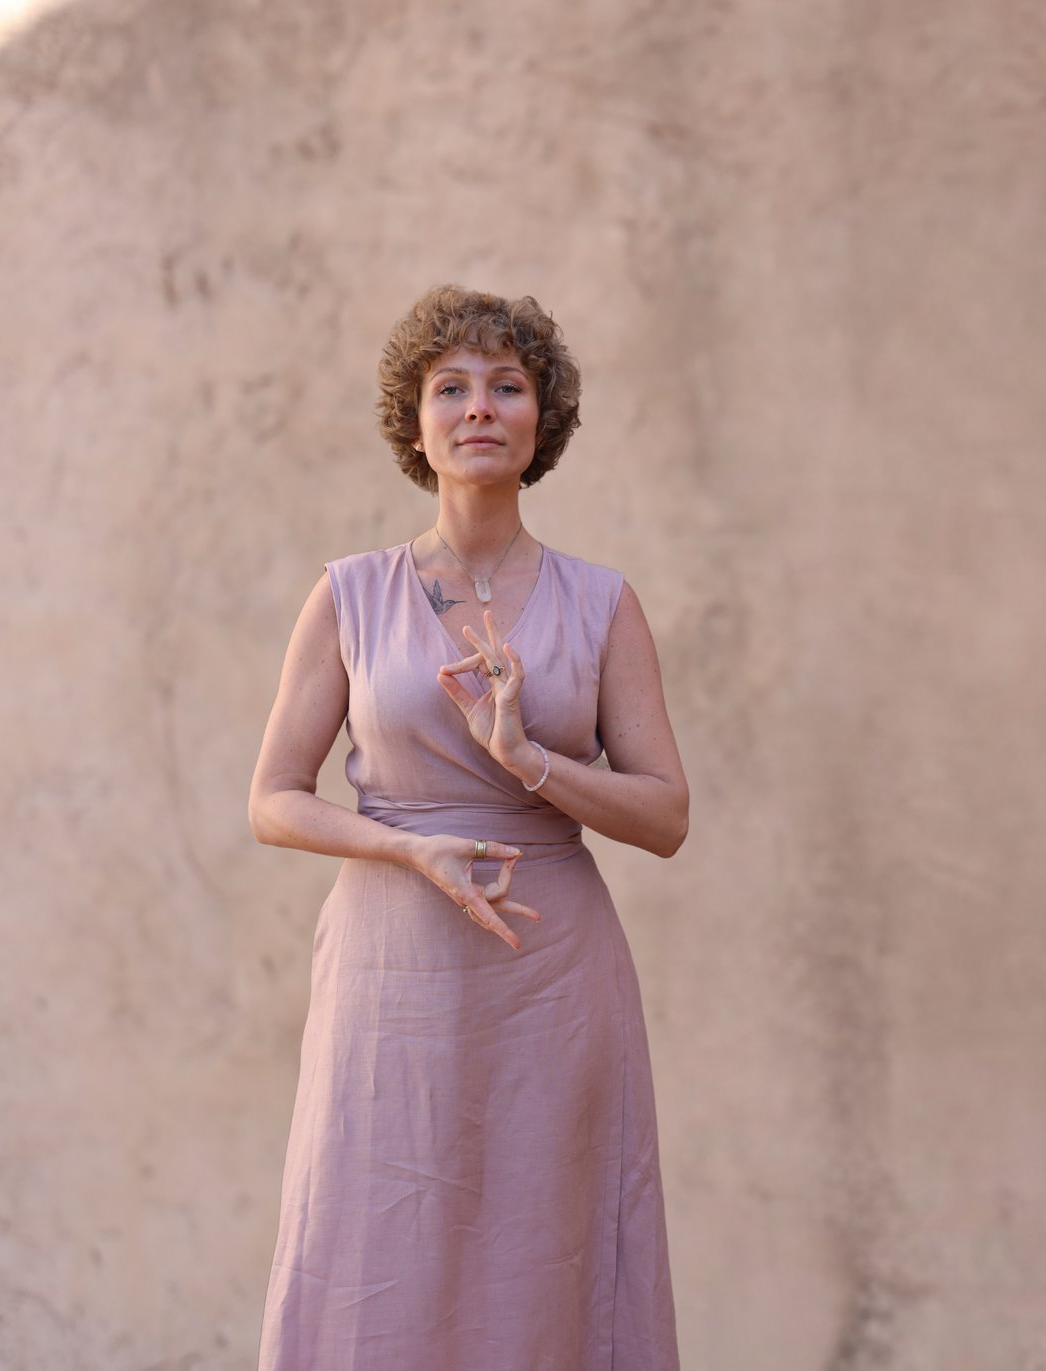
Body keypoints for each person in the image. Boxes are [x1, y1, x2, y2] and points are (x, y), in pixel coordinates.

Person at [247, 284, 687, 1370]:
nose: (479, 406)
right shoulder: (348, 596)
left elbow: (667, 814)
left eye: (507, 385)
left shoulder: (603, 603)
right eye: (451, 388)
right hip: (391, 969)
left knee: (547, 1250)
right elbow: (273, 799)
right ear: (416, 423)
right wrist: (406, 847)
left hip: (552, 973)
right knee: (372, 1240)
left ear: (544, 422)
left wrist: (528, 760)